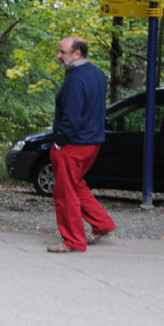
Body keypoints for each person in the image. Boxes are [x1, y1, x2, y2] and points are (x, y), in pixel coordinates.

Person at [47, 36, 117, 253]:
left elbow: (72, 117)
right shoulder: (98, 74)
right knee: (76, 185)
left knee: (64, 192)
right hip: (93, 142)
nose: (58, 56)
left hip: (73, 145)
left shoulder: (75, 80)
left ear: (77, 53)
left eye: (62, 52)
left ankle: (73, 241)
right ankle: (103, 223)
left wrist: (59, 143)